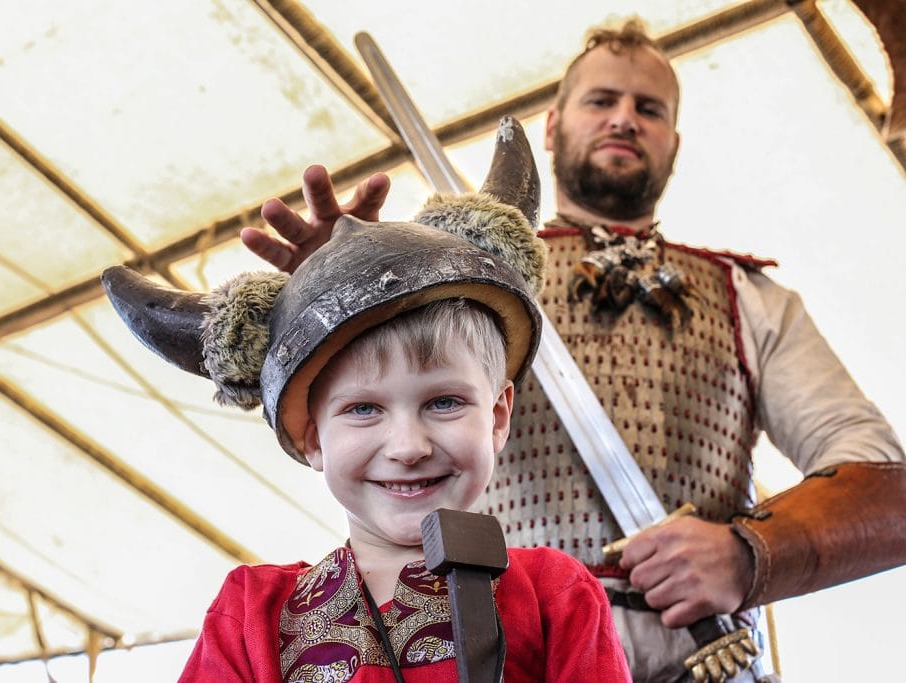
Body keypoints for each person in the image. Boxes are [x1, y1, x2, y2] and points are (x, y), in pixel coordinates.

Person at [239, 18, 906, 682]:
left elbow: (884, 488)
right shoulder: (451, 283)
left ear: (674, 142)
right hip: (499, 650)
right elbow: (361, 424)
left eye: (648, 108)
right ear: (553, 126)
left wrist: (749, 551)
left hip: (705, 661)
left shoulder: (751, 297)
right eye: (601, 101)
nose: (624, 119)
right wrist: (340, 299)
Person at [102, 120, 631, 681]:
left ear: (498, 415)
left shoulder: (556, 596)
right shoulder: (251, 615)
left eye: (445, 402)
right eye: (363, 409)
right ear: (312, 437)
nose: (407, 446)